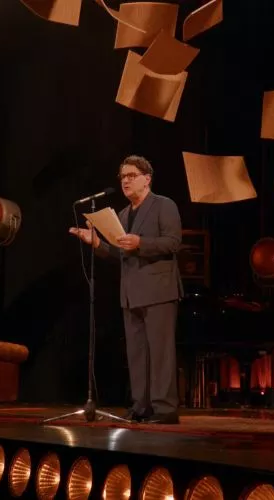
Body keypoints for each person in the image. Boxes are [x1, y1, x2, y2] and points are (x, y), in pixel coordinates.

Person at [69, 155, 183, 424]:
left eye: (131, 176)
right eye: (122, 177)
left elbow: (173, 242)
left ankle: (165, 410)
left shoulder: (164, 205)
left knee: (161, 354)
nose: (125, 181)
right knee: (137, 354)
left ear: (147, 179)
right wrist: (97, 243)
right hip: (131, 293)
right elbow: (120, 254)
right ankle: (141, 406)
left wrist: (140, 242)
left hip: (158, 290)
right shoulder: (121, 215)